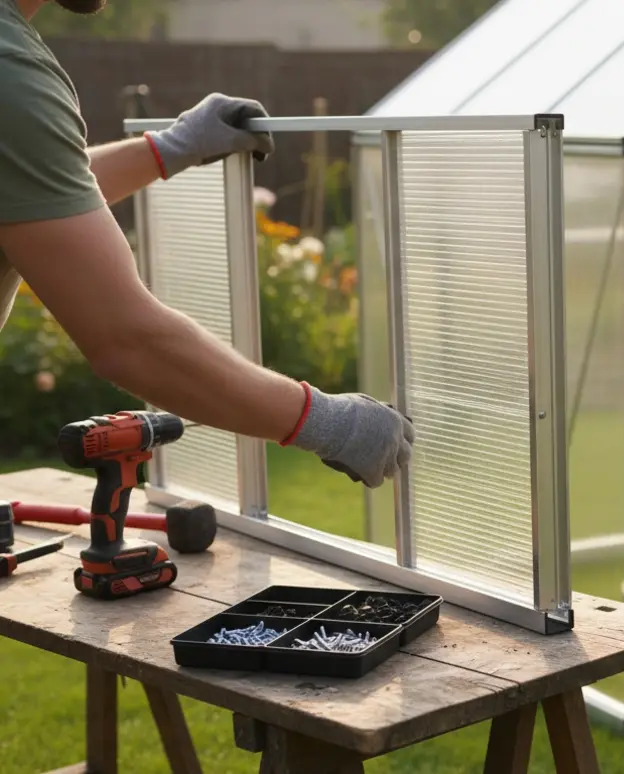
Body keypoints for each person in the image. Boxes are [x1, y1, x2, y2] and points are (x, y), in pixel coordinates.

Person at [0, 0, 414, 488]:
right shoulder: (10, 73)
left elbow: (37, 201)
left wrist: (169, 149)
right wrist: (328, 423)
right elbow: (125, 338)